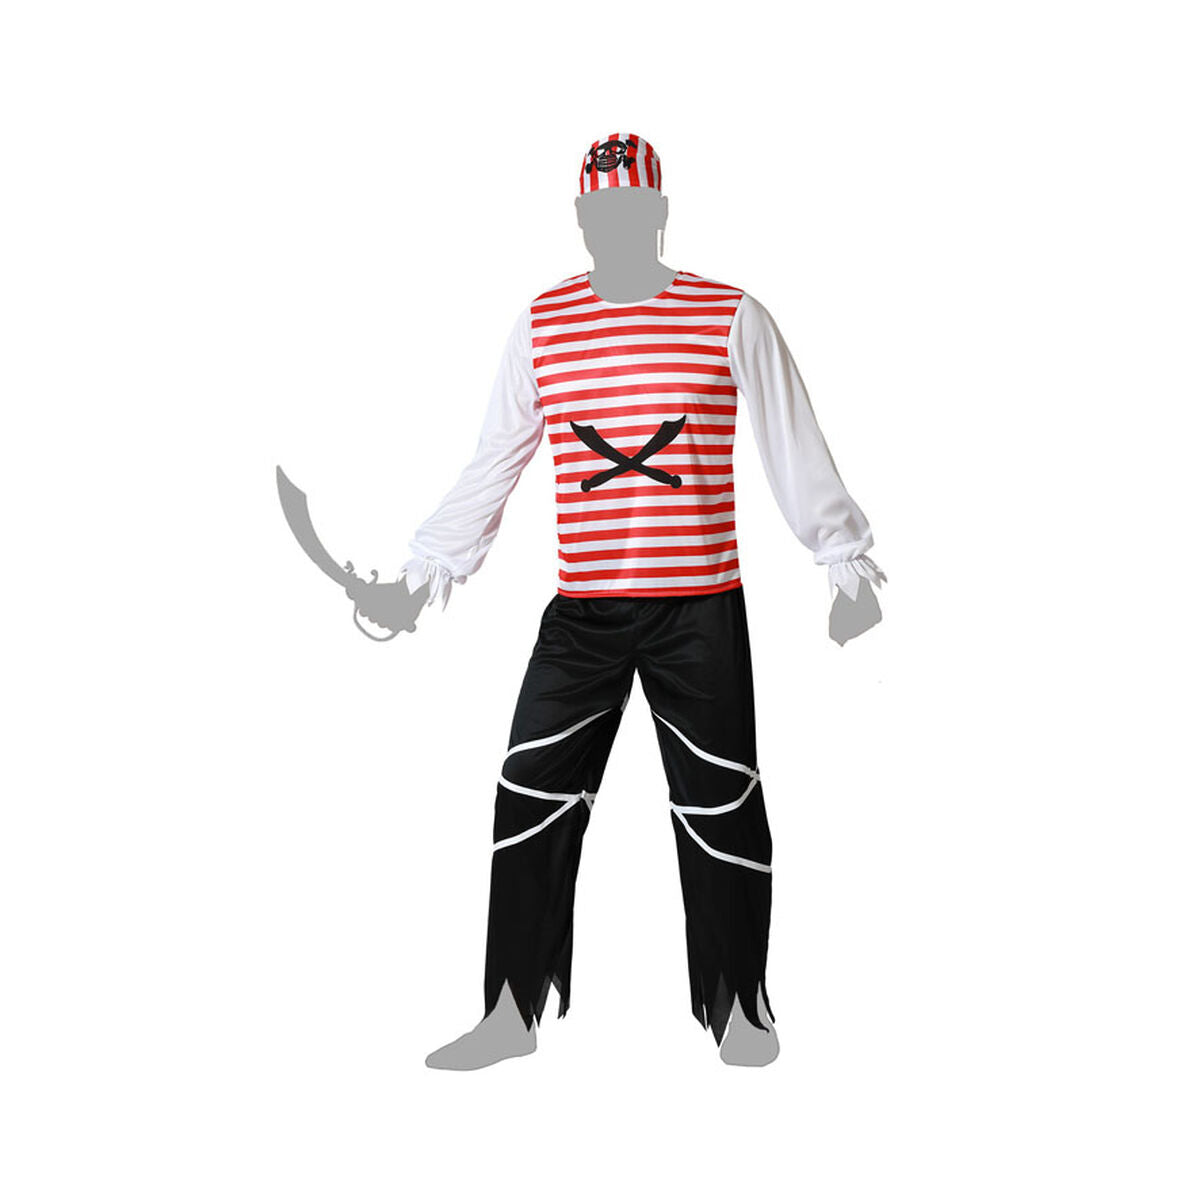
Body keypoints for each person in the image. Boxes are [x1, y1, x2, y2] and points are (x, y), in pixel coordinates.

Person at [402, 133, 886, 1069]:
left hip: (699, 609)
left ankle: (739, 1008)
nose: (608, 228)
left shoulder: (727, 315)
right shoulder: (545, 324)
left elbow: (792, 440)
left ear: (658, 214)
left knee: (721, 801)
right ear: (578, 218)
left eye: (626, 212)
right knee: (531, 794)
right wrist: (429, 568)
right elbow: (495, 458)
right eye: (595, 213)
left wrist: (841, 558)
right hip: (584, 611)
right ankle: (510, 1012)